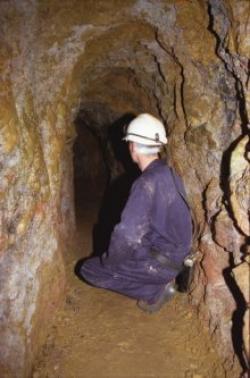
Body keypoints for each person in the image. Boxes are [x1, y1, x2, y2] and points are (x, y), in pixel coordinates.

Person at [80, 113, 192, 313]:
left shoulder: (145, 184)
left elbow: (127, 236)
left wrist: (110, 262)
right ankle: (160, 281)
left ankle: (154, 292)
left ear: (133, 146)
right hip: (176, 257)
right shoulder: (170, 174)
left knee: (89, 269)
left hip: (160, 264)